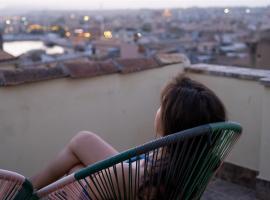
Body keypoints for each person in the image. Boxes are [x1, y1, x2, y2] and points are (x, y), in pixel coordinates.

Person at [30, 75, 226, 194]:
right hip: (144, 180)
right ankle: (29, 189)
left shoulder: (130, 175)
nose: (157, 110)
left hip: (127, 185)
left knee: (75, 170)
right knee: (84, 140)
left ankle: (26, 192)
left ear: (171, 123)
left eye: (162, 106)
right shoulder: (205, 162)